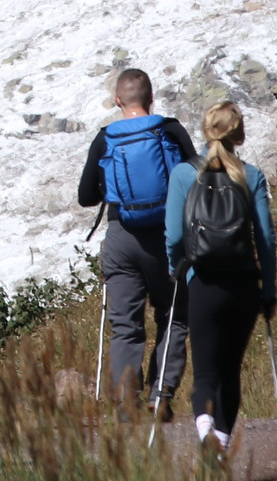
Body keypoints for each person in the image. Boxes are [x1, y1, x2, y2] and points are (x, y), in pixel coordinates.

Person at [76, 67, 198, 410]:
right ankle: (161, 395)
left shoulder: (106, 138)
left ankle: (127, 401)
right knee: (173, 315)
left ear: (118, 100)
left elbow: (86, 196)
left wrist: (109, 187)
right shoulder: (169, 130)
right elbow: (196, 176)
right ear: (151, 98)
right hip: (167, 237)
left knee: (125, 324)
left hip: (121, 238)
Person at [166, 101, 277, 461]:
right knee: (230, 372)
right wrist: (269, 289)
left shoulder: (185, 174)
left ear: (205, 129)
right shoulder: (251, 175)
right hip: (243, 284)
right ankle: (221, 451)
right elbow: (265, 239)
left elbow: (172, 235)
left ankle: (203, 431)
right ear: (238, 134)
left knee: (205, 373)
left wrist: (178, 271)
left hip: (204, 283)